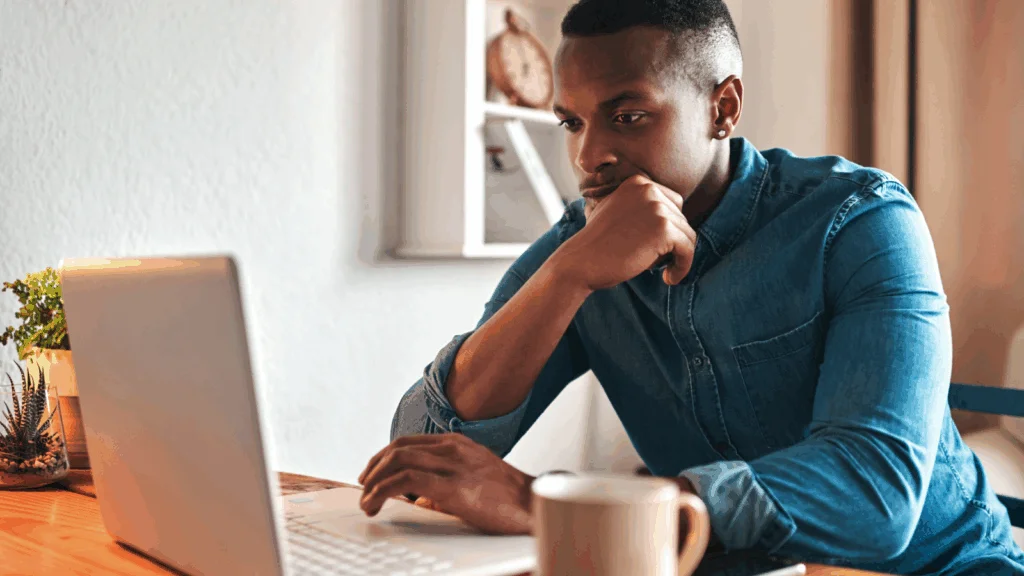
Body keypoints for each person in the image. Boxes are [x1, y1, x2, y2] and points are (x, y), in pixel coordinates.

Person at [358, 0, 1024, 573]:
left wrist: (551, 506)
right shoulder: (582, 246)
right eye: (573, 123)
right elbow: (423, 448)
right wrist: (565, 277)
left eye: (628, 116)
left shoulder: (861, 221)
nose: (590, 157)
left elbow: (875, 496)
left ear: (722, 107)